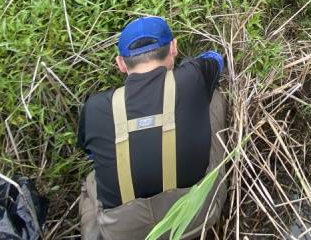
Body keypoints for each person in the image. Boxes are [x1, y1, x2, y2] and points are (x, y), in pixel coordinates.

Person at [78, 16, 228, 240]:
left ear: (120, 63)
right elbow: (215, 59)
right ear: (174, 48)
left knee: (91, 180)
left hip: (124, 234)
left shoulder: (95, 107)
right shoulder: (192, 77)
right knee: (213, 99)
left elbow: (90, 154)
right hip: (196, 219)